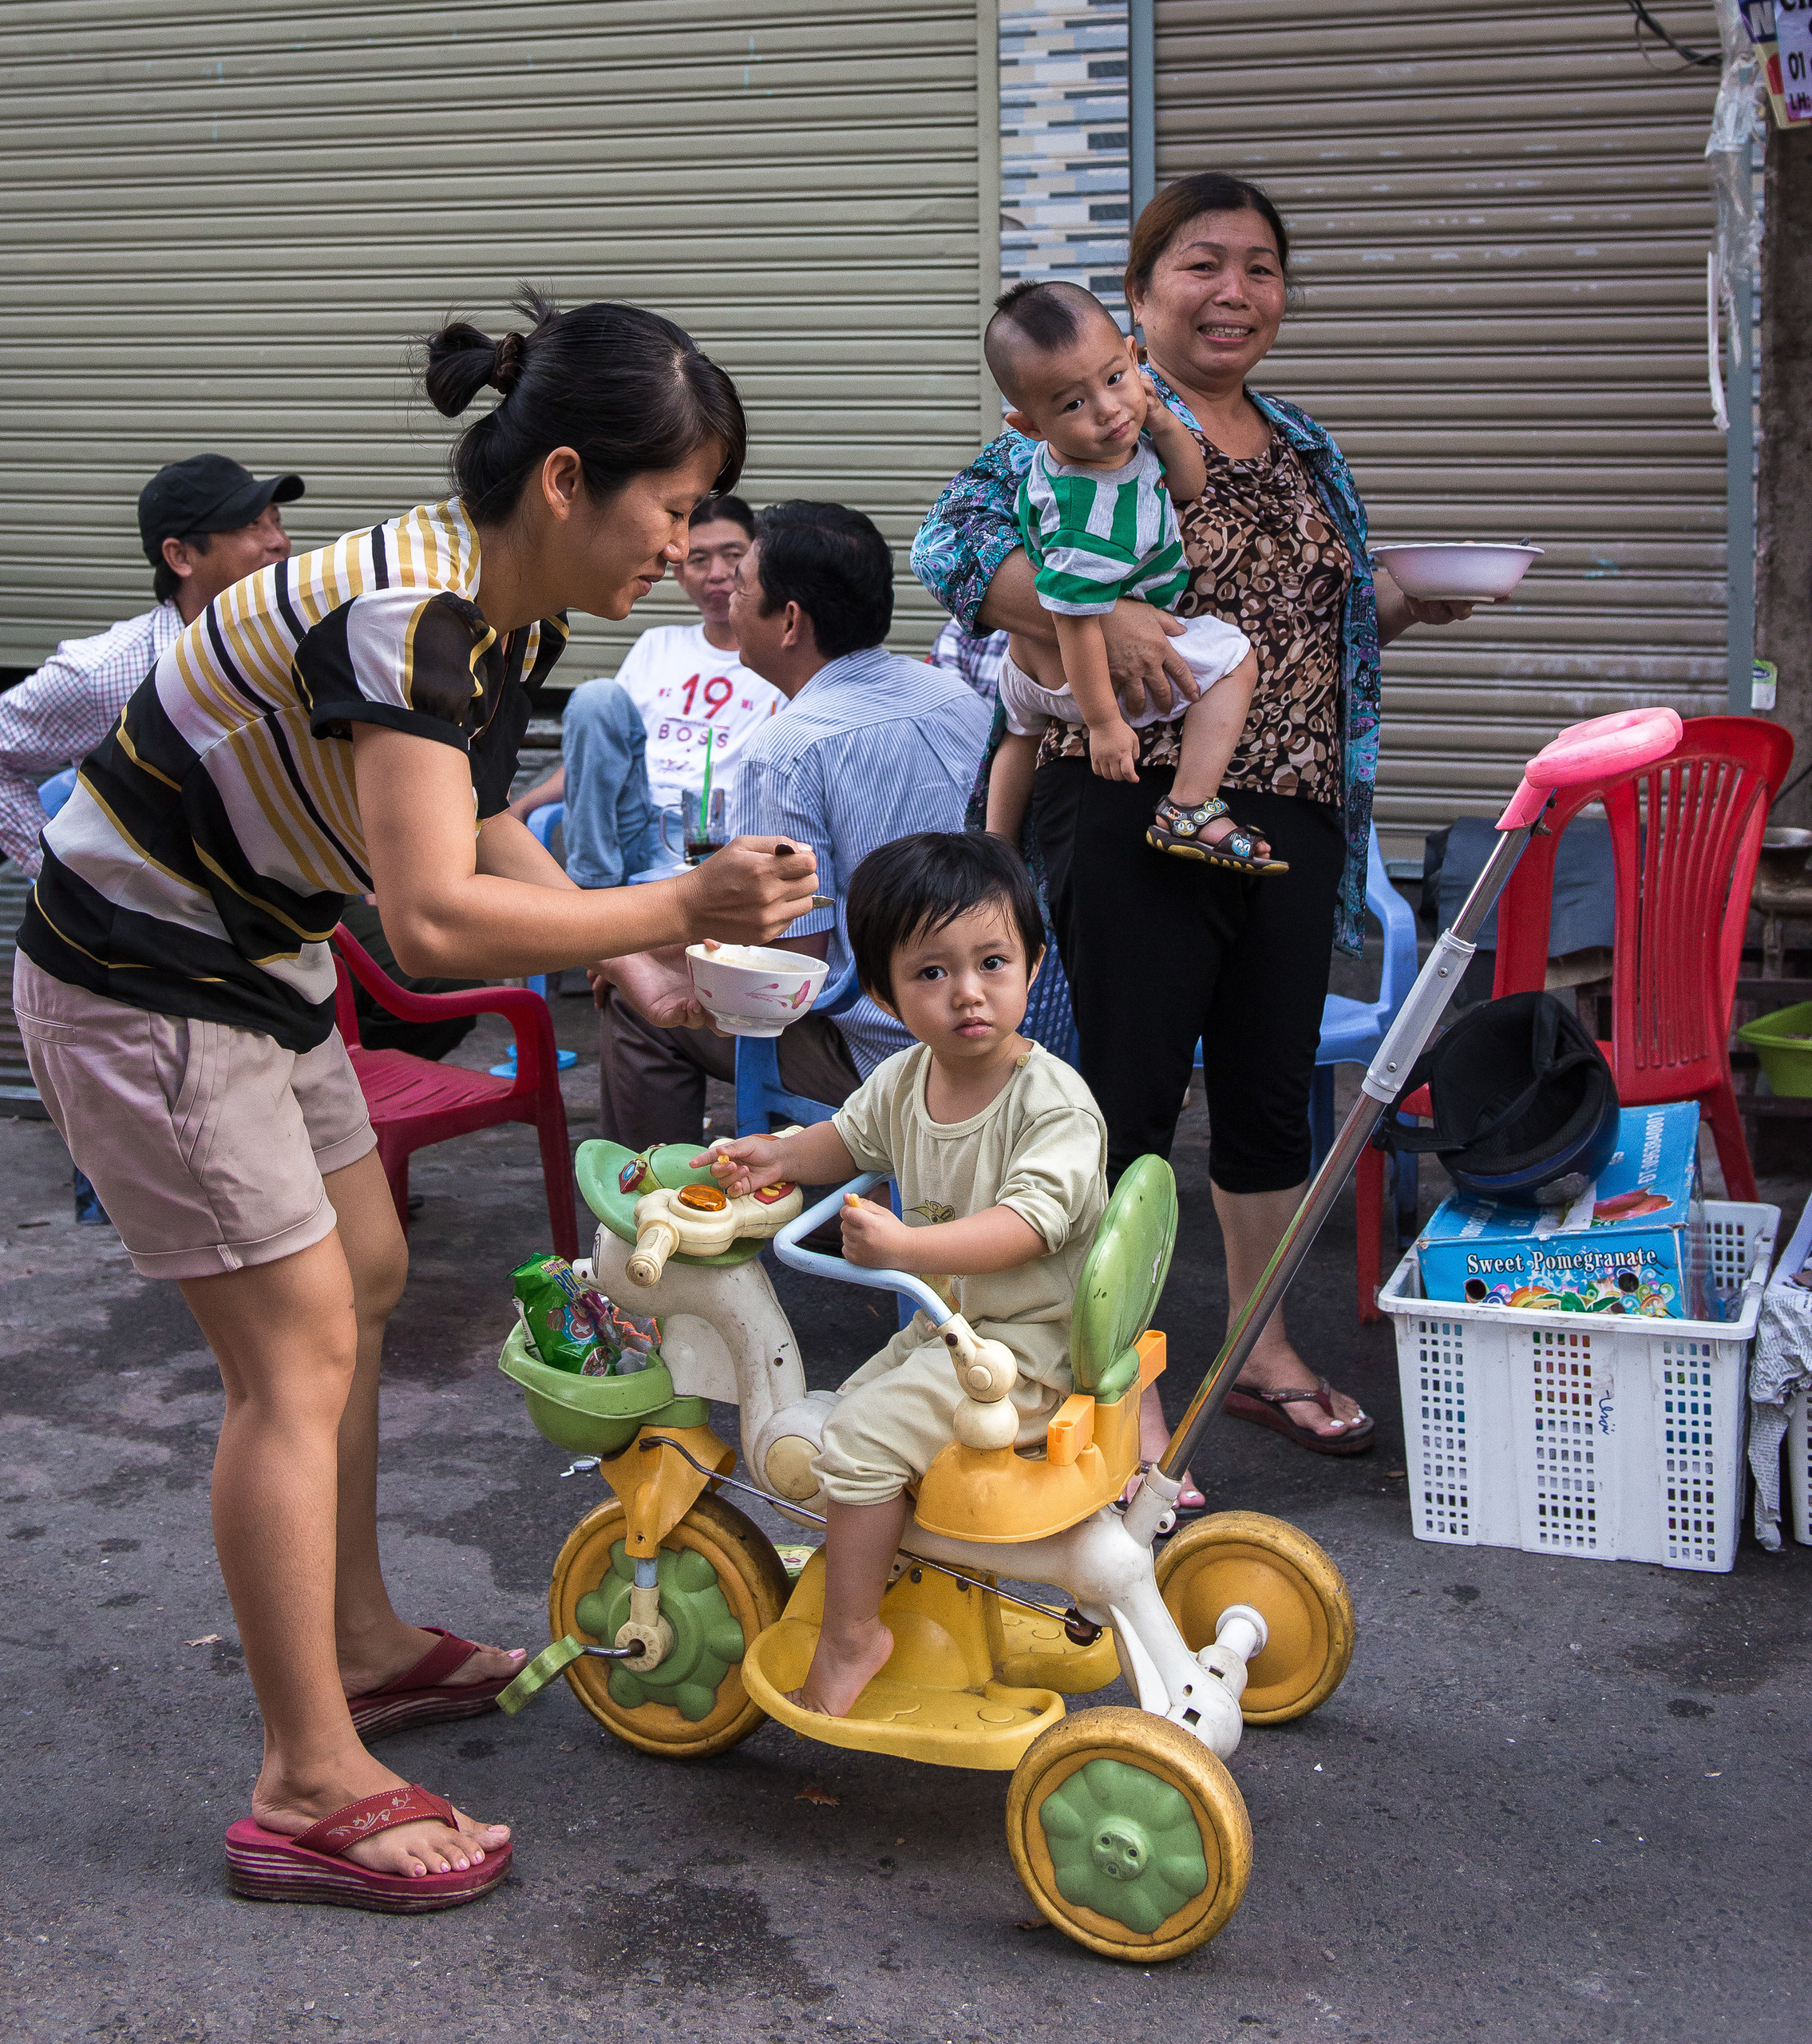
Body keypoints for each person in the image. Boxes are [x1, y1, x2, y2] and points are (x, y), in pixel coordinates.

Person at [10, 291, 817, 1911]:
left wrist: (645, 961)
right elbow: (434, 921)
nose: (683, 546)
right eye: (672, 509)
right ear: (570, 480)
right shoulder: (410, 614)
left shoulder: (501, 611)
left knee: (365, 1274)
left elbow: (474, 827)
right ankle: (305, 1780)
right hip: (142, 975)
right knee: (294, 1351)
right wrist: (680, 902)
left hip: (259, 955)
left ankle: (362, 1641)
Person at [916, 173, 1489, 1460]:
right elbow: (948, 551)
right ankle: (1108, 1377)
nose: (1236, 291)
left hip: (1294, 812)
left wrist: (1402, 603)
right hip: (1132, 800)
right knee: (1121, 1099)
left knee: (1269, 1095)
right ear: (1140, 293)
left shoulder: (1304, 446)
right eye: (1202, 264)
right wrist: (1102, 615)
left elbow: (1314, 624)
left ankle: (1260, 1348)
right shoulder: (1092, 419)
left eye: (1261, 268)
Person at [698, 832, 1106, 1717]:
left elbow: (1028, 1224)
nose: (967, 992)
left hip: (1026, 1354)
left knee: (857, 1443)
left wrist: (908, 1251)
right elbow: (847, 1140)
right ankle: (907, 1576)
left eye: (992, 962)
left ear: (1033, 966)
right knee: (838, 1421)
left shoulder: (1054, 1105)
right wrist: (780, 1154)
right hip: (950, 1334)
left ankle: (853, 1636)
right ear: (884, 993)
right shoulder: (905, 1077)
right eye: (931, 972)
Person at [595, 500, 994, 1149]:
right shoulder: (956, 698)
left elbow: (786, 970)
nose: (728, 605)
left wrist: (645, 956)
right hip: (1006, 1023)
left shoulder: (785, 751)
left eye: (740, 588)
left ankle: (661, 1203)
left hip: (897, 1062)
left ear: (788, 621)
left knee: (637, 1007)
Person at [980, 282, 1271, 875]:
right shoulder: (1089, 510)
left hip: (1023, 670)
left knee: (1018, 734)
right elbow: (1076, 619)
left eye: (1114, 379)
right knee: (1236, 660)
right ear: (1028, 425)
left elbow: (1188, 484)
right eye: (1072, 405)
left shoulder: (1100, 450)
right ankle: (1188, 806)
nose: (1108, 409)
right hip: (1083, 676)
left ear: (1135, 359)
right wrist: (1104, 724)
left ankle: (995, 848)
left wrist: (1160, 420)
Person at [0, 454, 303, 873]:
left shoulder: (301, 641)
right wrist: (64, 880)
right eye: (251, 526)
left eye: (276, 522)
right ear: (181, 556)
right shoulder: (106, 671)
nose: (279, 542)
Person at [508, 493, 781, 887]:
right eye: (699, 559)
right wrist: (522, 806)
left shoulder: (775, 660)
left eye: (733, 556)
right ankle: (593, 886)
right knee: (596, 697)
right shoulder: (658, 644)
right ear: (680, 573)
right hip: (629, 818)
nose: (717, 573)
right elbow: (597, 755)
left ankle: (607, 905)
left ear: (756, 566)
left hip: (709, 835)